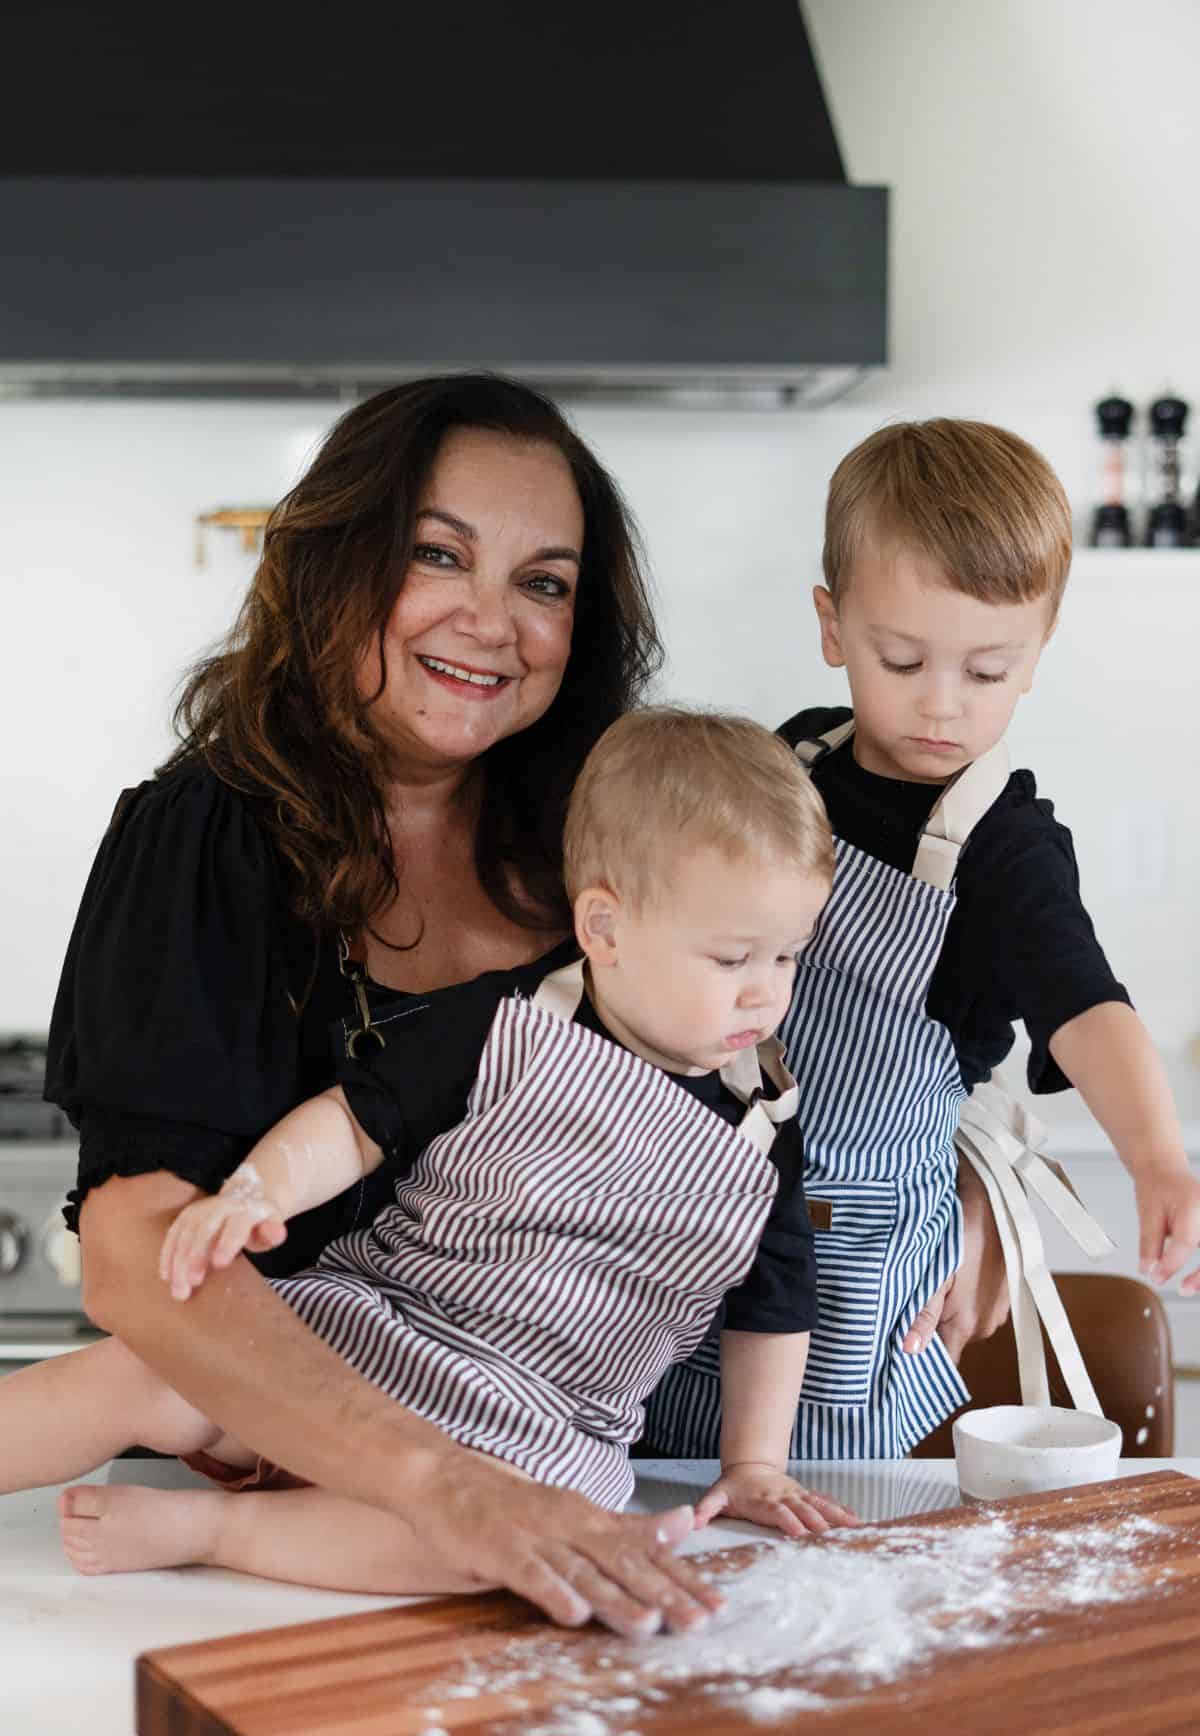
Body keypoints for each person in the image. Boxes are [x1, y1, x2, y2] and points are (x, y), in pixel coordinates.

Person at [39, 373, 735, 1637]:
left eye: (544, 582)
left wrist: (954, 1178)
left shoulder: (603, 844)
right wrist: (441, 1484)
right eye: (436, 556)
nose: (491, 621)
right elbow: (138, 1258)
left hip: (564, 1493)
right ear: (334, 565)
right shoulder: (204, 835)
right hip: (273, 1557)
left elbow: (759, 1028)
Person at [10, 710, 856, 1599]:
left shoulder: (765, 1129)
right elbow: (353, 1121)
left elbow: (774, 1305)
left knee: (526, 1542)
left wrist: (755, 1462)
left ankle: (221, 1530)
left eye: (790, 956)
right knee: (150, 1371)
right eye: (732, 959)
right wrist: (257, 1191)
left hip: (545, 1422)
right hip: (374, 1331)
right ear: (604, 929)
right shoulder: (508, 1022)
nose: (768, 992)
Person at [645, 418, 1200, 1461]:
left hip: (847, 1245)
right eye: (901, 660)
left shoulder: (1003, 846)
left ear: (1036, 657)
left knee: (800, 1492)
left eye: (988, 672)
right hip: (703, 1193)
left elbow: (1085, 1007)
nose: (942, 705)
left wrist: (1158, 1156)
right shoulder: (788, 762)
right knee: (657, 1457)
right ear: (832, 626)